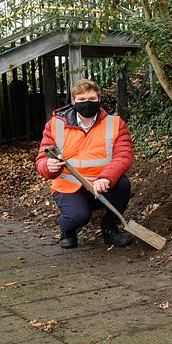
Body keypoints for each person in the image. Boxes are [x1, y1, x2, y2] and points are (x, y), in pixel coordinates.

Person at [35, 79, 134, 249]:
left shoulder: (115, 123)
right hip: (69, 186)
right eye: (81, 100)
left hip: (100, 184)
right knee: (78, 216)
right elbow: (41, 159)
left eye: (92, 99)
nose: (87, 103)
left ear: (99, 100)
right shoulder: (55, 125)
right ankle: (67, 228)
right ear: (73, 101)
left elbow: (124, 156)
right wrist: (48, 167)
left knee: (123, 184)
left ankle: (109, 228)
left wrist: (106, 178)